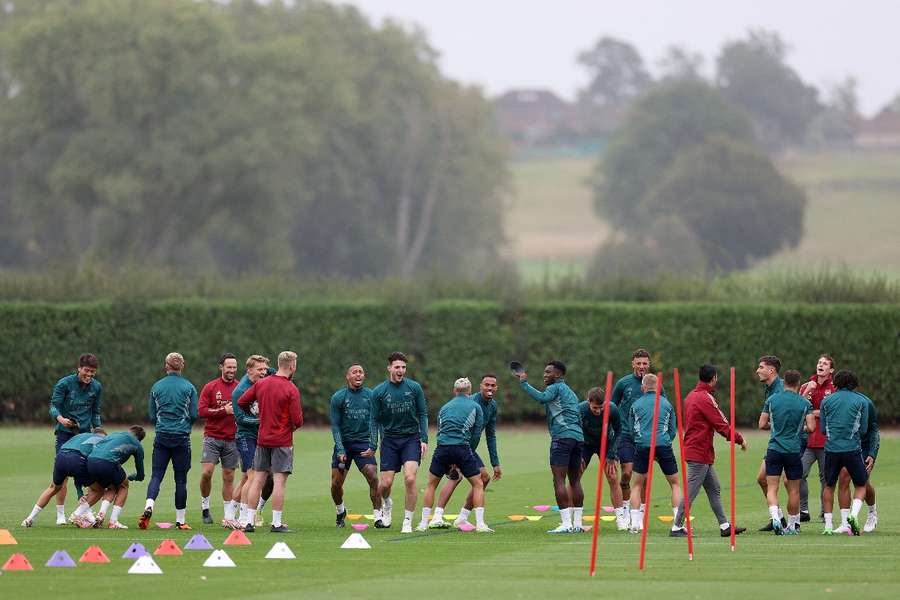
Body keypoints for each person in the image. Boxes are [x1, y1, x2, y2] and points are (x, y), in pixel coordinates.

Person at [672, 364, 747, 538]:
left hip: (698, 450)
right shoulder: (705, 398)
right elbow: (721, 424)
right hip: (699, 452)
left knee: (714, 489)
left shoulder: (690, 396)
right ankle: (676, 527)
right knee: (691, 492)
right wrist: (739, 439)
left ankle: (724, 526)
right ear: (714, 378)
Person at [516, 360, 585, 534]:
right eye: (545, 372)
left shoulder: (555, 388)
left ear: (559, 375)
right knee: (575, 480)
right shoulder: (571, 392)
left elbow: (541, 398)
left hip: (562, 437)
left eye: (549, 372)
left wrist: (524, 382)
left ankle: (566, 524)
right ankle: (577, 524)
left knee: (559, 480)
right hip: (578, 438)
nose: (545, 375)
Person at [238, 350, 303, 533]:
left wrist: (256, 412)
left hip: (262, 439)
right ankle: (276, 523)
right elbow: (297, 420)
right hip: (282, 441)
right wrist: (288, 428)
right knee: (279, 482)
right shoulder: (291, 388)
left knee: (257, 479)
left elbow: (242, 402)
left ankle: (249, 522)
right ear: (292, 366)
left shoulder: (262, 384)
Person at [417, 378, 492, 533]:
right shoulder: (476, 406)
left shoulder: (444, 407)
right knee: (478, 484)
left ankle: (423, 524)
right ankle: (480, 525)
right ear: (470, 392)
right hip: (462, 448)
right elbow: (476, 434)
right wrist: (467, 453)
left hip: (442, 448)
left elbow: (440, 431)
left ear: (454, 391)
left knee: (431, 484)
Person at [433, 374, 502, 529]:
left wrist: (495, 463)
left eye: (493, 385)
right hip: (459, 446)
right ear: (480, 386)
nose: (489, 388)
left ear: (496, 388)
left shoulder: (492, 406)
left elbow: (490, 435)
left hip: (469, 448)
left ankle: (462, 518)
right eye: (486, 384)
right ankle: (437, 516)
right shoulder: (471, 402)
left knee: (483, 478)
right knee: (456, 477)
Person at [139, 352, 198, 530]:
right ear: (183, 366)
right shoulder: (189, 387)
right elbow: (194, 414)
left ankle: (149, 504)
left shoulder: (156, 387)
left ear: (166, 366)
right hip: (181, 437)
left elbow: (151, 415)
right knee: (180, 479)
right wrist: (185, 425)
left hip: (162, 436)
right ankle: (180, 520)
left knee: (156, 475)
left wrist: (162, 425)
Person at [371, 351, 429, 534]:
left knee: (410, 478)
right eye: (397, 367)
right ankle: (387, 504)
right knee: (385, 485)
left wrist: (424, 438)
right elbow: (374, 420)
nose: (401, 370)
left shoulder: (414, 388)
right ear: (389, 368)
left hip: (411, 439)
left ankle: (407, 521)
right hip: (389, 440)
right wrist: (373, 444)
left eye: (403, 367)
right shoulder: (379, 391)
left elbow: (423, 414)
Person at [611, 349, 666, 527]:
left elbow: (663, 407)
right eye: (638, 363)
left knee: (643, 477)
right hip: (626, 434)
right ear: (633, 364)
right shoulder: (623, 383)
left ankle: (639, 515)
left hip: (646, 437)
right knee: (627, 473)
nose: (641, 366)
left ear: (649, 365)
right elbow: (612, 406)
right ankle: (626, 510)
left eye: (644, 363)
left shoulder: (655, 384)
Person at [758, 370, 815, 535]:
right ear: (798, 384)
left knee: (772, 488)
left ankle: (775, 517)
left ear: (784, 383)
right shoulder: (805, 403)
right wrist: (798, 428)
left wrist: (775, 427)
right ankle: (792, 524)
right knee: (793, 490)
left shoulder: (772, 399)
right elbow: (811, 428)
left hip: (774, 449)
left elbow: (762, 424)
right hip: (793, 451)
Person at [49, 353, 103, 525]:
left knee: (88, 472)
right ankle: (60, 514)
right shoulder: (65, 383)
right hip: (65, 434)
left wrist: (99, 430)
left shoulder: (96, 387)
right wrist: (61, 419)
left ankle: (85, 510)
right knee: (63, 475)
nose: (89, 375)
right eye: (86, 371)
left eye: (92, 372)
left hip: (85, 435)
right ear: (79, 368)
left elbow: (95, 412)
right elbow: (53, 406)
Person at [628, 373, 682, 534]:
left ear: (643, 387)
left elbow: (632, 430)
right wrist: (664, 442)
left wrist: (641, 442)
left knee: (637, 485)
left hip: (642, 445)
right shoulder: (666, 403)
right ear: (658, 387)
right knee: (674, 484)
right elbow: (673, 429)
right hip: (663, 445)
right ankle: (678, 523)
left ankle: (636, 524)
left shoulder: (635, 405)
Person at [21, 430, 106, 527]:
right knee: (99, 490)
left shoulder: (80, 436)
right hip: (77, 459)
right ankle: (77, 514)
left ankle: (29, 518)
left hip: (60, 457)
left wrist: (80, 493)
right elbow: (86, 465)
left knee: (53, 488)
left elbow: (76, 474)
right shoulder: (101, 440)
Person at [330, 363, 379, 527]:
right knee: (336, 484)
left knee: (373, 476)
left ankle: (378, 516)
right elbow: (335, 425)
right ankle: (340, 511)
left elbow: (374, 422)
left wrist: (373, 445)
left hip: (363, 443)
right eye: (354, 372)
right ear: (347, 376)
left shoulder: (371, 396)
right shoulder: (338, 397)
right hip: (343, 444)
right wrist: (340, 448)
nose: (358, 375)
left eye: (361, 372)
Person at [821, 370, 870, 536]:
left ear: (836, 383)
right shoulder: (860, 401)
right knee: (861, 484)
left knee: (829, 485)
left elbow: (822, 429)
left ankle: (828, 526)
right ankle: (853, 516)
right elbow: (863, 430)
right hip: (852, 449)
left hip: (831, 449)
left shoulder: (826, 401)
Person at [231, 355, 275, 529]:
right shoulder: (240, 391)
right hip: (245, 436)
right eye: (259, 370)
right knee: (253, 476)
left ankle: (229, 514)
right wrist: (263, 421)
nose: (264, 373)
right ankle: (243, 518)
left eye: (265, 369)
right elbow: (240, 419)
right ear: (249, 370)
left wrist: (273, 367)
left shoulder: (262, 379)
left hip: (260, 437)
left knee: (247, 478)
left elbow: (276, 371)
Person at [198, 353, 239, 525]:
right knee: (207, 473)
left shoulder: (240, 388)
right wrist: (224, 411)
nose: (232, 370)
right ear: (221, 367)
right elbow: (201, 412)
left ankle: (228, 515)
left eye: (234, 367)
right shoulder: (210, 387)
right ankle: (205, 507)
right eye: (229, 367)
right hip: (212, 437)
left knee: (229, 477)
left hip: (232, 439)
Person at [78, 426, 146, 529]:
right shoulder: (137, 445)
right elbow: (141, 474)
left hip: (91, 461)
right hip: (107, 463)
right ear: (139, 439)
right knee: (124, 486)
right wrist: (133, 477)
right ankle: (113, 521)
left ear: (129, 431)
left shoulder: (115, 433)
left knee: (112, 487)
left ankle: (100, 516)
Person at [579, 387, 626, 530]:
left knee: (612, 477)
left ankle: (621, 520)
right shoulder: (580, 410)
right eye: (595, 408)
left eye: (601, 407)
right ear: (588, 402)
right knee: (576, 476)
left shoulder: (612, 409)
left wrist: (612, 454)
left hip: (606, 444)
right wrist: (578, 453)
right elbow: (576, 430)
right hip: (585, 444)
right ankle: (572, 520)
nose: (598, 411)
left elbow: (619, 431)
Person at [833, 390, 880, 534]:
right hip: (845, 445)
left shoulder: (865, 402)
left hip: (864, 446)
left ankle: (872, 514)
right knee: (844, 478)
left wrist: (872, 453)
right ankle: (845, 522)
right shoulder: (833, 401)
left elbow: (873, 429)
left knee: (863, 481)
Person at [798, 354, 835, 523]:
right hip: (808, 440)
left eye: (825, 364)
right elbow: (797, 406)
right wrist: (807, 392)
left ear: (831, 370)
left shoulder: (834, 388)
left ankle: (824, 512)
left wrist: (812, 412)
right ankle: (804, 510)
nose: (821, 365)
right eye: (819, 362)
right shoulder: (807, 385)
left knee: (825, 478)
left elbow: (832, 412)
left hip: (826, 441)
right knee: (799, 474)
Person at [754, 355, 788, 532]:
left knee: (791, 483)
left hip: (787, 443)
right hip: (776, 441)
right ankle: (778, 517)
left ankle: (793, 522)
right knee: (762, 479)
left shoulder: (781, 388)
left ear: (771, 370)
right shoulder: (769, 388)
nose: (757, 370)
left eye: (761, 367)